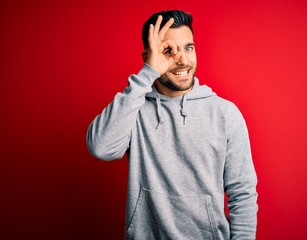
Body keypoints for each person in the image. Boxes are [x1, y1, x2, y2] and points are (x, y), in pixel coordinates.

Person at [86, 10, 258, 240]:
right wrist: (146, 75)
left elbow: (243, 194)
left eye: (189, 47)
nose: (183, 60)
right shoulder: (134, 109)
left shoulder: (225, 114)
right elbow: (101, 147)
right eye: (168, 51)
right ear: (149, 56)